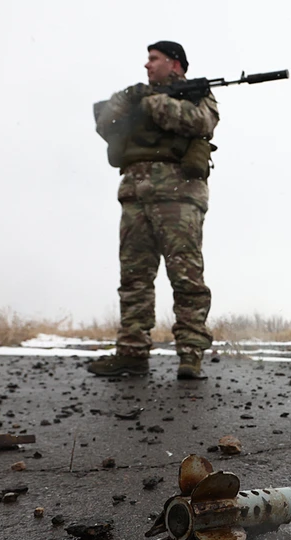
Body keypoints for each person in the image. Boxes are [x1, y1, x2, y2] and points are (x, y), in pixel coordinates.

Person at [89, 41, 219, 380]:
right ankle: (131, 353)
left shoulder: (196, 94)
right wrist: (131, 98)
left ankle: (190, 355)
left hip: (179, 195)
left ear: (175, 64)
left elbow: (201, 122)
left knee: (186, 277)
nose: (147, 65)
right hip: (134, 196)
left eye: (154, 59)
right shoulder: (136, 95)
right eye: (147, 60)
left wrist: (153, 104)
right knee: (134, 278)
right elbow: (105, 122)